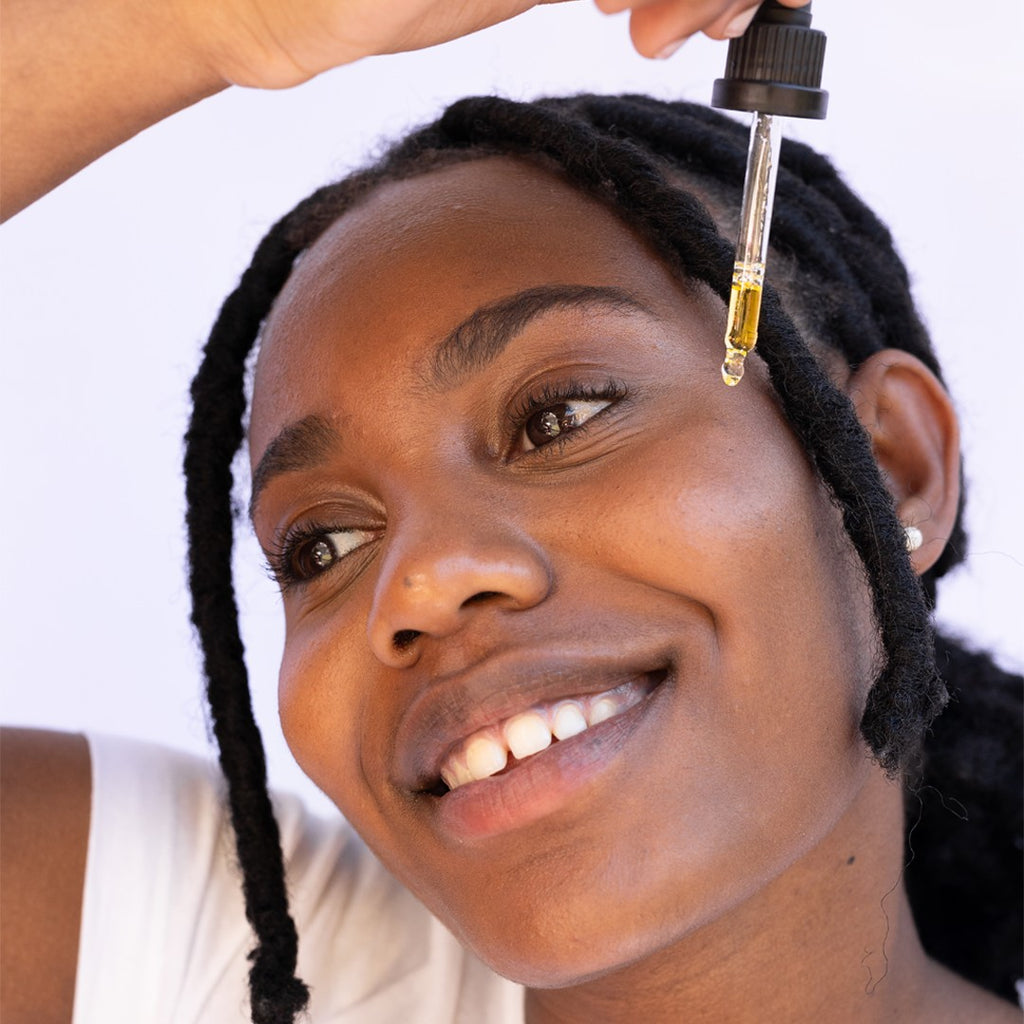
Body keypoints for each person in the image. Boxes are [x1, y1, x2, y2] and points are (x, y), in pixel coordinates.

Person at [1, 3, 1021, 1024]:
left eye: (559, 418)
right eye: (325, 543)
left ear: (889, 467)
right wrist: (210, 22)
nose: (420, 580)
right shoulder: (192, 955)